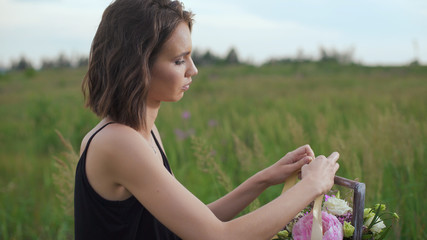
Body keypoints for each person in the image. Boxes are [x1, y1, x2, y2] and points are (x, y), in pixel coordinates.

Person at [75, 0, 340, 239]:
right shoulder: (118, 142)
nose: (193, 70)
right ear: (138, 66)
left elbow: (191, 224)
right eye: (179, 60)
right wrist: (311, 186)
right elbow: (217, 237)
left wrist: (264, 179)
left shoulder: (145, 132)